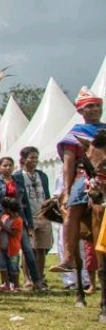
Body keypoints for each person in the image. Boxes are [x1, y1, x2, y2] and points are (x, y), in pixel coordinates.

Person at [51, 87, 106, 274]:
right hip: (85, 177)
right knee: (73, 208)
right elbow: (68, 164)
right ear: (81, 111)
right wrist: (66, 191)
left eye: (98, 105)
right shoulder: (76, 133)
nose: (96, 109)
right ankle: (69, 257)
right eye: (90, 106)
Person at [0, 156, 43, 289]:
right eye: (5, 165)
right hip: (2, 219)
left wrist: (30, 223)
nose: (8, 168)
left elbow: (25, 202)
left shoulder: (18, 181)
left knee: (28, 249)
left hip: (19, 218)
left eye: (10, 165)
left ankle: (37, 280)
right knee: (3, 250)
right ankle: (8, 282)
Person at [15, 146, 52, 287]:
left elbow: (46, 194)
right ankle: (27, 278)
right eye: (31, 157)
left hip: (43, 215)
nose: (34, 160)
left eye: (36, 157)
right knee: (28, 248)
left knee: (41, 248)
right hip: (27, 215)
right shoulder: (18, 176)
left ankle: (40, 276)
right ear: (24, 159)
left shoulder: (42, 175)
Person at [0, 197, 24, 291]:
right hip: (2, 247)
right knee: (2, 266)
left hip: (13, 248)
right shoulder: (4, 217)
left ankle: (16, 285)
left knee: (14, 267)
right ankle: (6, 284)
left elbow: (14, 234)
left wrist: (3, 226)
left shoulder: (18, 220)